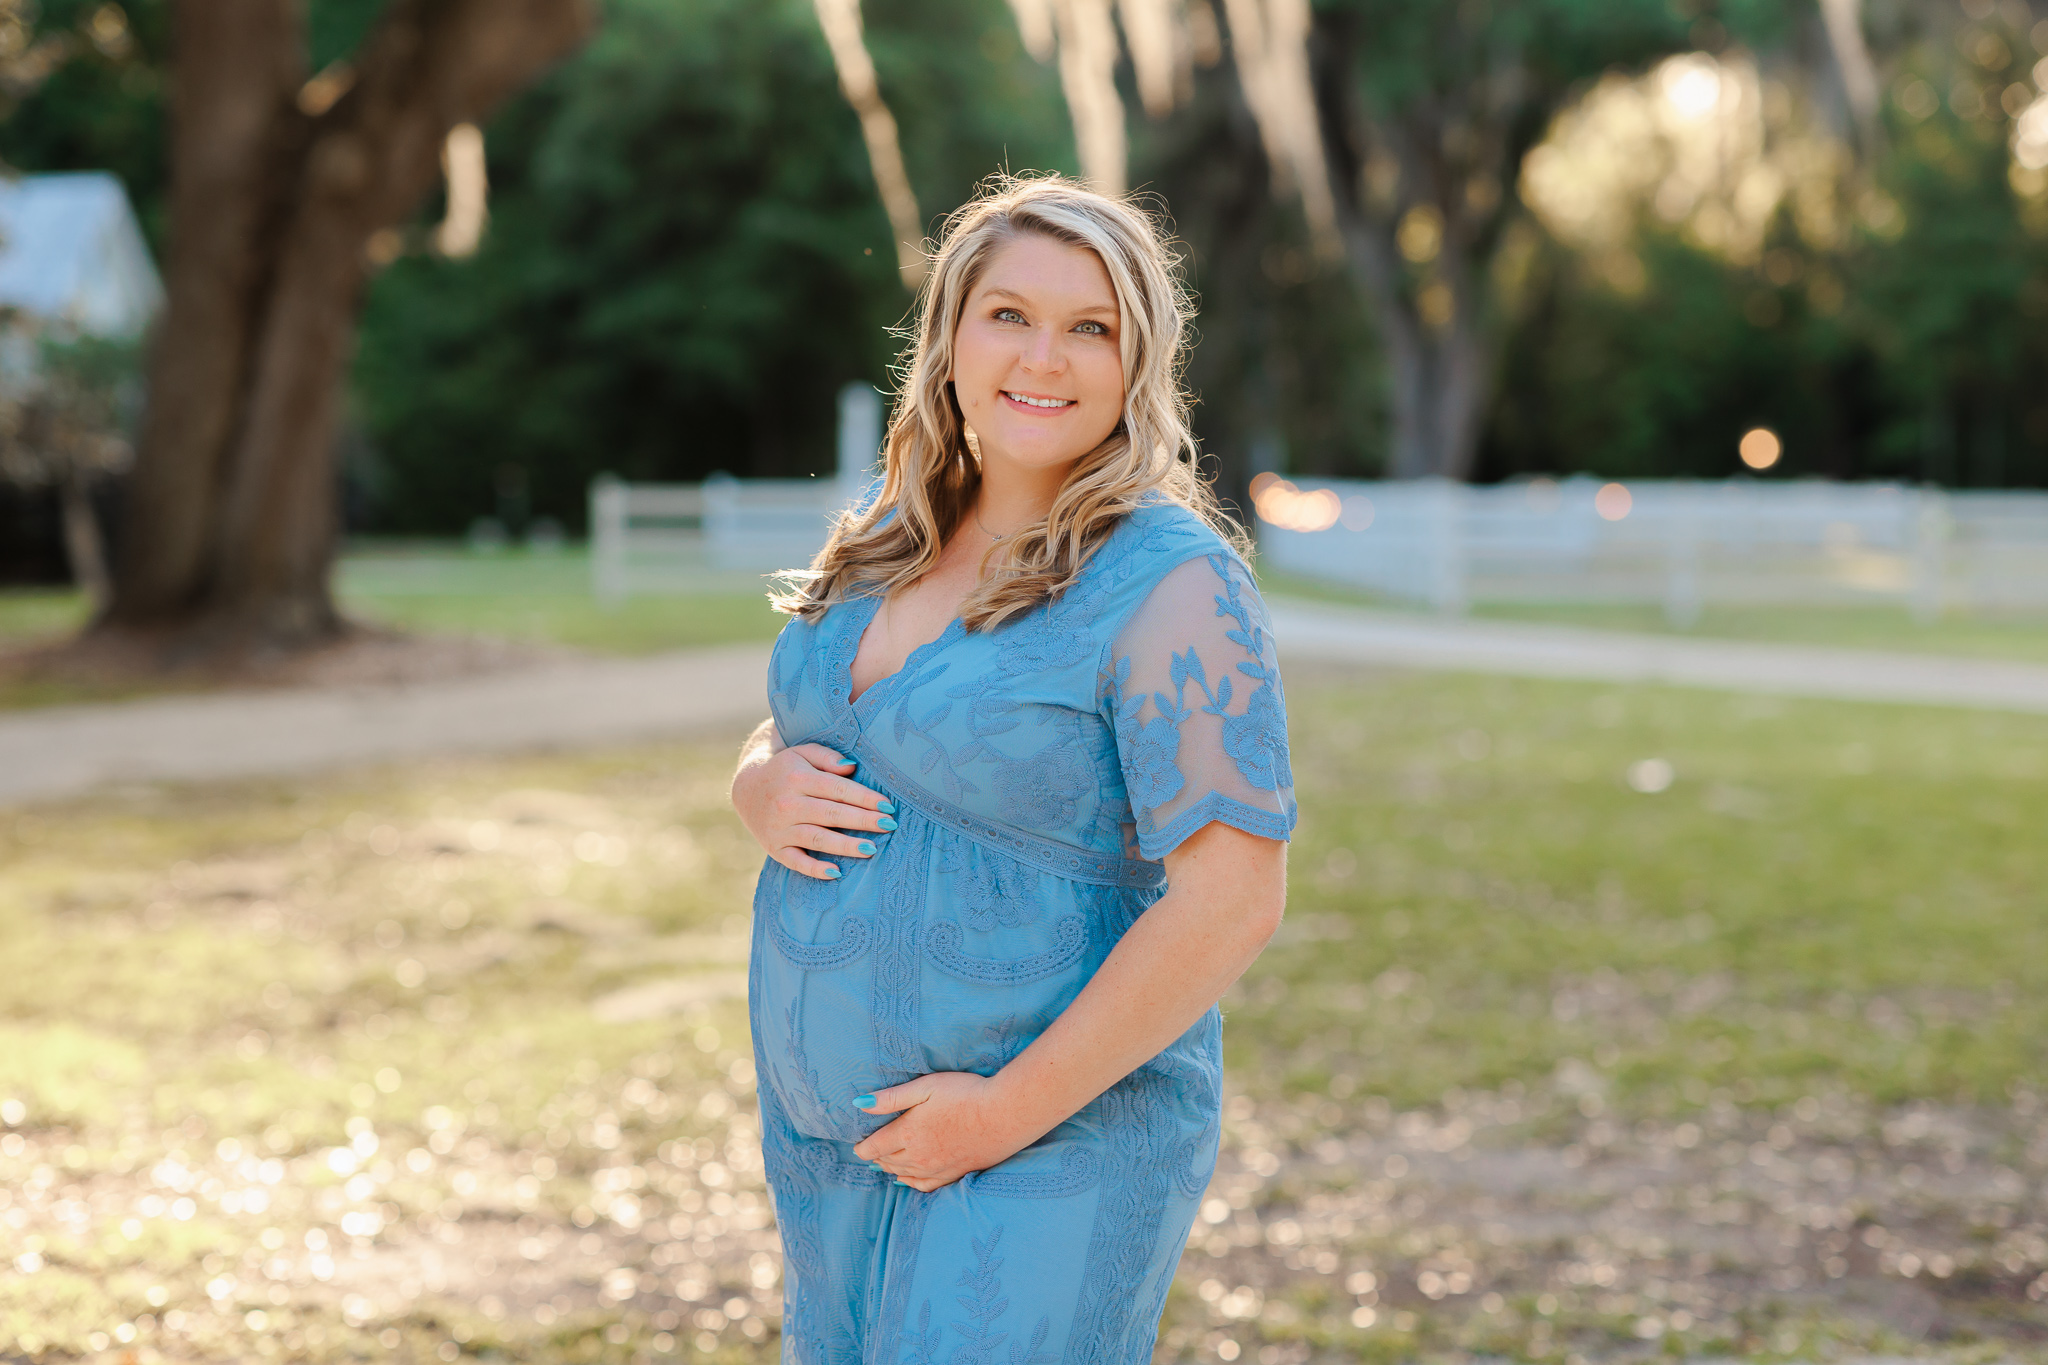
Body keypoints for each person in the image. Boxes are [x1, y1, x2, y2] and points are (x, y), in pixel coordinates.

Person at [728, 174, 1294, 1364]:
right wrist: (755, 782)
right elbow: (808, 727)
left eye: (1090, 327)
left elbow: (1233, 899)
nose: (1045, 356)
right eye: (1008, 316)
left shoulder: (1169, 581)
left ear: (1136, 363)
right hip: (830, 1148)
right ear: (947, 339)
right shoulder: (888, 534)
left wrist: (997, 1117)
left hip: (1049, 1143)